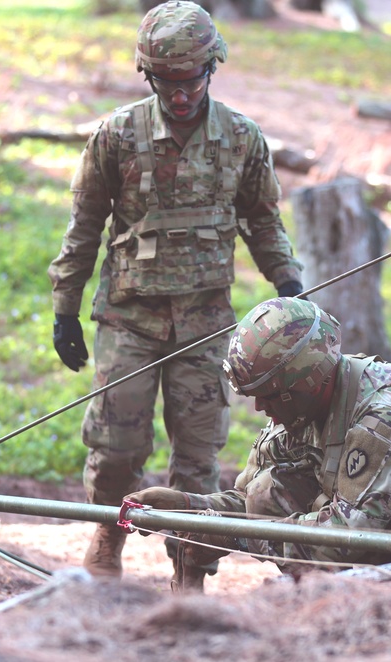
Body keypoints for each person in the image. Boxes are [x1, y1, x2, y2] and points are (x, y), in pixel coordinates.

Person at [47, 1, 304, 590]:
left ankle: (188, 573)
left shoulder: (241, 139)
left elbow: (263, 223)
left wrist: (289, 285)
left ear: (212, 69)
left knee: (198, 458)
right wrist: (66, 309)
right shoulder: (117, 136)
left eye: (190, 80)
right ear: (148, 75)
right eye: (167, 81)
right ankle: (107, 535)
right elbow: (84, 227)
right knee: (116, 444)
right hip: (129, 318)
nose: (180, 94)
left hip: (206, 323)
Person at [126, 297, 391, 579]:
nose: (259, 410)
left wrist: (230, 535)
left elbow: (345, 536)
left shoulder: (386, 413)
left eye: (267, 396)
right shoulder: (300, 411)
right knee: (269, 491)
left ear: (303, 381)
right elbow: (249, 503)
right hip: (389, 512)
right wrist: (187, 508)